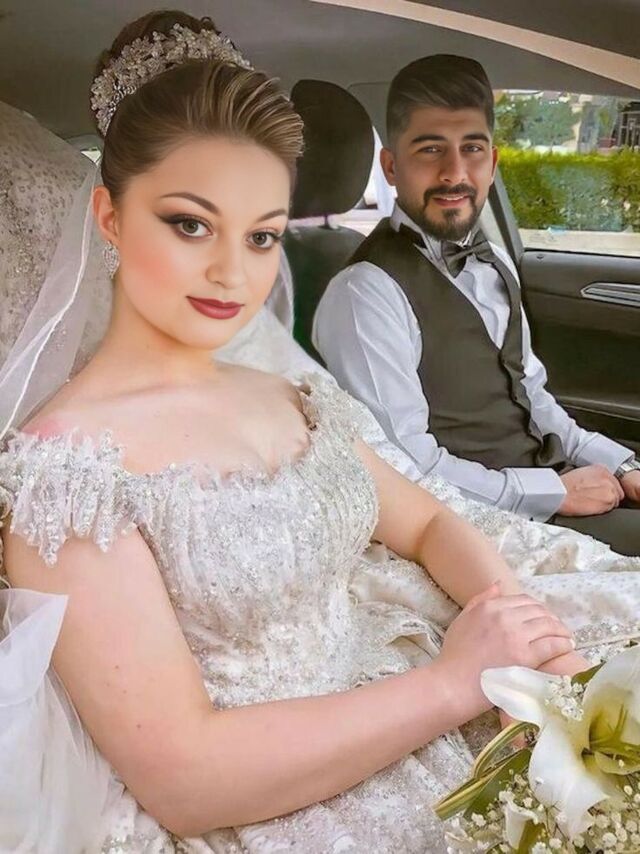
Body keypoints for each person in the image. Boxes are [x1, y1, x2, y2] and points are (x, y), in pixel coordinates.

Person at [0, 15, 638, 853]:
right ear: (110, 218)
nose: (233, 272)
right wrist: (456, 683)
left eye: (262, 234)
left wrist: (532, 649)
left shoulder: (289, 396)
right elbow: (187, 779)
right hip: (285, 802)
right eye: (190, 223)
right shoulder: (67, 474)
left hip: (423, 680)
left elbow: (429, 520)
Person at [312, 54, 640, 557]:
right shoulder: (364, 293)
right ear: (391, 167)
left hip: (549, 485)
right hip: (481, 527)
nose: (454, 173)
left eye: (472, 149)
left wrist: (621, 463)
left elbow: (532, 396)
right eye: (430, 150)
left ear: (493, 162)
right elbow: (403, 466)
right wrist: (552, 493)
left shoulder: (497, 262)